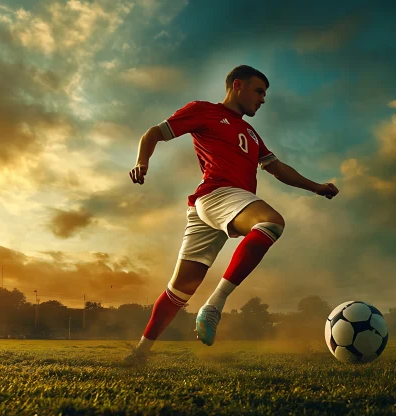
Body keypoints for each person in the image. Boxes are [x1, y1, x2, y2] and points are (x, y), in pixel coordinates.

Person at [123, 65, 338, 365]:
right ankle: (215, 304)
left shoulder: (251, 133)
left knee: (180, 290)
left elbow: (278, 168)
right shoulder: (203, 111)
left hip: (213, 206)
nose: (262, 99)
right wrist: (141, 162)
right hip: (218, 194)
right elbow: (154, 133)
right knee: (271, 222)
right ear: (237, 85)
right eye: (258, 91)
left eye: (264, 94)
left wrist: (316, 187)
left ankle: (140, 353)